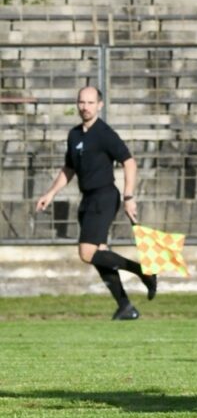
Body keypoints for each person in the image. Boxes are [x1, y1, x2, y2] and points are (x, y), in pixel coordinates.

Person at [35, 86, 155, 320]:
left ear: (100, 105)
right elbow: (69, 168)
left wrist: (129, 196)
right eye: (82, 102)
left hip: (104, 197)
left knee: (86, 252)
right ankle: (125, 307)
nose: (85, 107)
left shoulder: (104, 133)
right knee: (100, 254)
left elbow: (129, 162)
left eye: (90, 103)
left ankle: (144, 272)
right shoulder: (74, 135)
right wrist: (50, 194)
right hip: (88, 199)